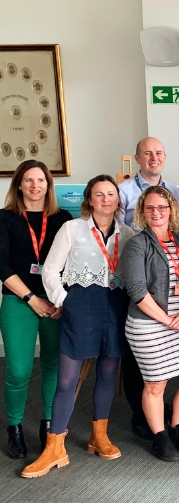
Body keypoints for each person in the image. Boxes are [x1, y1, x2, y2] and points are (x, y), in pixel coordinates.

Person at [22, 176, 134, 478]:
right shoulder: (72, 228)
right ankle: (54, 446)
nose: (106, 199)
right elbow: (50, 269)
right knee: (67, 378)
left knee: (108, 372)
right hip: (81, 305)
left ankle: (99, 436)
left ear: (118, 199)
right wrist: (63, 301)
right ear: (89, 199)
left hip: (115, 306)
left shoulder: (127, 232)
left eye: (111, 194)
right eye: (99, 194)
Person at [119, 187, 179, 462]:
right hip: (149, 323)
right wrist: (167, 319)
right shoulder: (137, 244)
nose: (157, 212)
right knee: (156, 384)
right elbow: (136, 291)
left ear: (171, 210)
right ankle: (160, 437)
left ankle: (177, 427)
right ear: (143, 212)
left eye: (162, 207)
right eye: (150, 208)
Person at [118, 137, 179, 439]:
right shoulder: (123, 191)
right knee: (140, 363)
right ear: (137, 157)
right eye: (147, 153)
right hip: (138, 282)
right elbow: (120, 234)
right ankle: (142, 417)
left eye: (158, 152)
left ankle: (168, 417)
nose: (153, 158)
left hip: (170, 286)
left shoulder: (175, 191)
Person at [0, 161, 72, 459]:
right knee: (18, 370)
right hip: (20, 300)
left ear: (48, 185)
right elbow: (1, 265)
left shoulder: (63, 218)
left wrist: (59, 299)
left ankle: (48, 424)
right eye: (28, 180)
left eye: (40, 180)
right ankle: (14, 426)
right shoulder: (5, 218)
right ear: (19, 184)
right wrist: (32, 298)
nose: (34, 185)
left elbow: (72, 264)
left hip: (55, 301)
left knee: (53, 365)